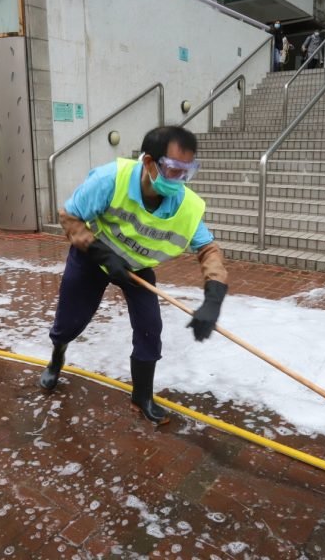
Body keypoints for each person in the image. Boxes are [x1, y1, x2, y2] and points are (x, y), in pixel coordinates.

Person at [39, 126, 229, 425]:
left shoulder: (186, 205)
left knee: (150, 328)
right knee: (70, 322)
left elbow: (208, 249)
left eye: (187, 171)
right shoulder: (109, 180)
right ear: (149, 163)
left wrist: (214, 299)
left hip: (137, 269)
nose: (180, 179)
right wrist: (102, 254)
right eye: (173, 169)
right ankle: (57, 355)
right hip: (92, 258)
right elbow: (69, 216)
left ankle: (142, 397)